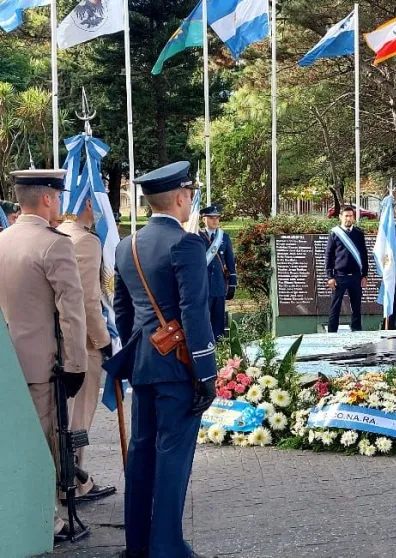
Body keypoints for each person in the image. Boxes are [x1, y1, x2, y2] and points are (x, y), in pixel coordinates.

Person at [105, 161, 217, 557]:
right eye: (190, 195)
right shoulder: (186, 244)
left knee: (141, 454)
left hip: (143, 365)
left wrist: (138, 355)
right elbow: (194, 312)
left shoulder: (125, 246)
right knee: (172, 459)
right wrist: (206, 372)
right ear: (181, 197)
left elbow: (123, 313)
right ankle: (166, 547)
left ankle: (137, 544)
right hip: (178, 368)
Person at [0, 169, 89, 544]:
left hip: (10, 361)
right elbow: (72, 311)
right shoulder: (55, 244)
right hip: (42, 366)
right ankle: (46, 522)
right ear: (49, 198)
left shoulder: (3, 239)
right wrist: (77, 365)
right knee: (46, 445)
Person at [56, 197, 117, 502]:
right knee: (78, 416)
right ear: (89, 204)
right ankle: (76, 481)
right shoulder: (86, 241)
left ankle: (67, 480)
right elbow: (88, 301)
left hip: (53, 343)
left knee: (60, 416)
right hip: (81, 344)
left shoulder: (57, 232)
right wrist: (105, 341)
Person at [325, 205, 368, 333]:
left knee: (356, 306)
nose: (348, 219)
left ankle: (356, 330)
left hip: (355, 276)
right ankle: (332, 332)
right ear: (340, 217)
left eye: (351, 216)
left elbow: (363, 254)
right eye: (346, 216)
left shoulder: (359, 233)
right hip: (339, 276)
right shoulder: (335, 233)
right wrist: (330, 276)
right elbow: (329, 255)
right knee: (335, 306)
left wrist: (364, 274)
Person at [198, 205, 237, 340]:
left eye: (217, 218)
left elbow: (230, 262)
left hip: (219, 284)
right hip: (202, 285)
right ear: (204, 219)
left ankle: (219, 345)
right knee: (204, 317)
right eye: (211, 218)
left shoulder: (224, 237)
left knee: (218, 317)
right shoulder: (197, 237)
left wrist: (232, 284)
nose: (215, 221)